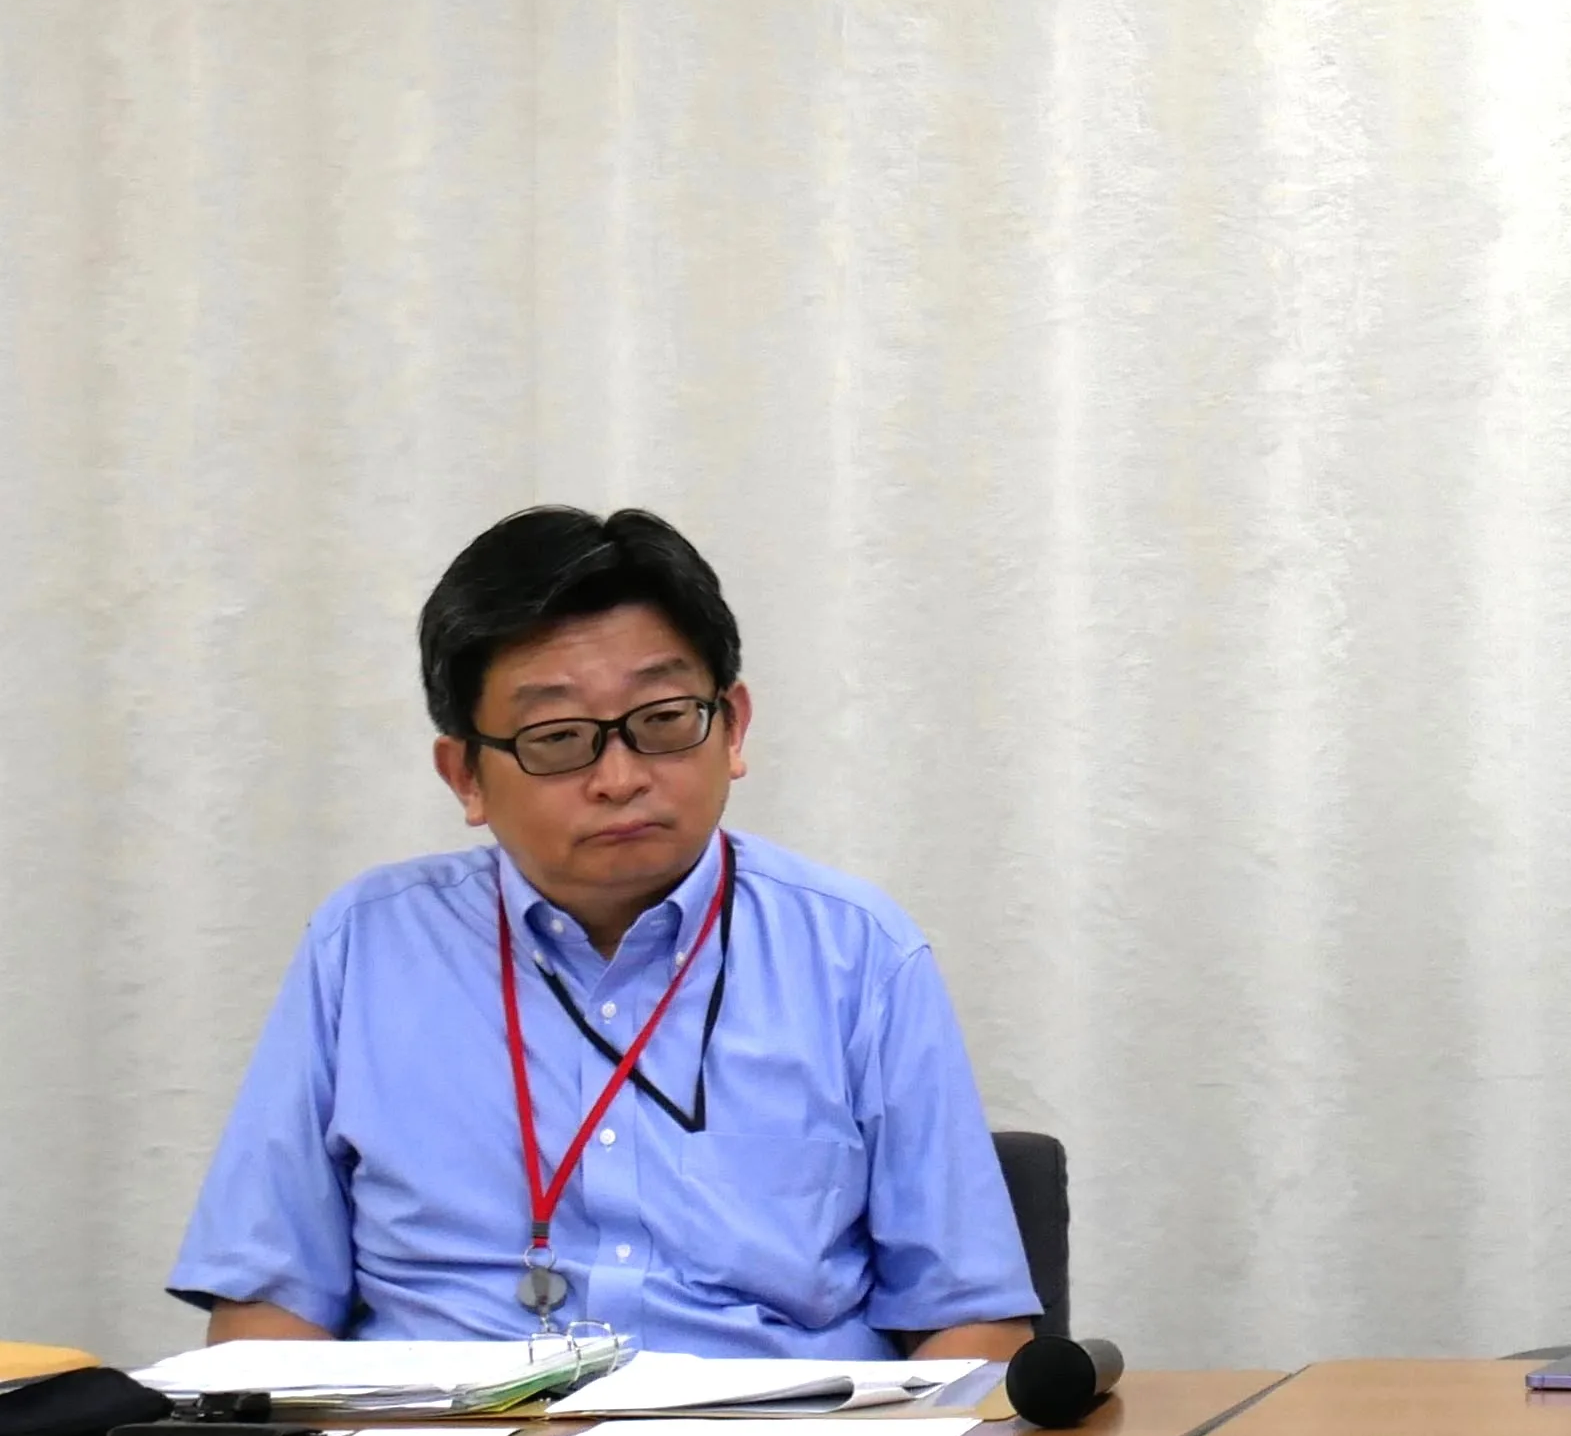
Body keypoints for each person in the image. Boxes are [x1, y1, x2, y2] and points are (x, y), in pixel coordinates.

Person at [167, 507, 1041, 1359]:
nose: (619, 778)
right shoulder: (364, 948)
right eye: (558, 738)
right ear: (465, 774)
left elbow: (972, 1327)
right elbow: (267, 1318)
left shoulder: (857, 953)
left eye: (663, 721)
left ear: (732, 727)